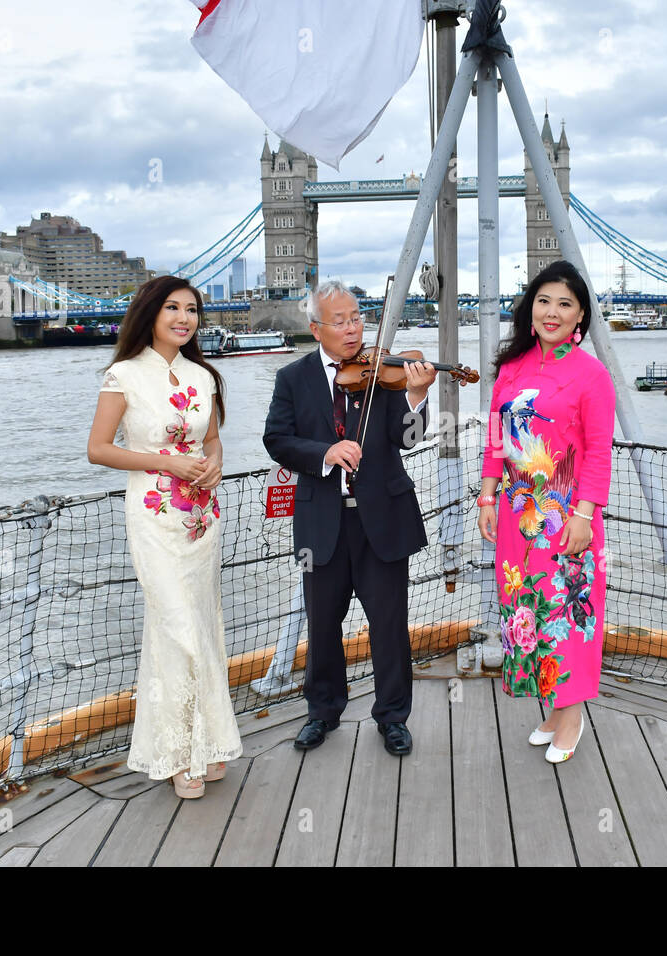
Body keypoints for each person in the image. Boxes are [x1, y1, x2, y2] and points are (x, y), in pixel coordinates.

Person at [263, 280, 436, 756]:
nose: (353, 328)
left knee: (389, 625)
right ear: (316, 329)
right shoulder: (292, 379)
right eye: (339, 321)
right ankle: (322, 711)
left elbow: (410, 439)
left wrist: (417, 399)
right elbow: (276, 440)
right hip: (322, 521)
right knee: (321, 624)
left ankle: (393, 717)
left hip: (382, 519)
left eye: (357, 317)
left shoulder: (386, 374)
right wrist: (325, 451)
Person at [86, 276, 243, 798]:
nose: (184, 318)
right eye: (173, 308)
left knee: (202, 624)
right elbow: (99, 449)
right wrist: (164, 462)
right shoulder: (123, 375)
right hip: (154, 515)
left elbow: (214, 441)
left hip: (201, 516)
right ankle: (180, 754)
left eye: (192, 310)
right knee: (176, 625)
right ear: (150, 314)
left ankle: (208, 742)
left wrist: (215, 466)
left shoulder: (204, 376)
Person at [477, 260, 616, 764]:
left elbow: (599, 450)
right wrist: (488, 495)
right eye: (543, 300)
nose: (551, 312)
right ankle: (555, 707)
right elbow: (497, 439)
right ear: (530, 308)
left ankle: (573, 715)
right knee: (529, 611)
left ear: (580, 315)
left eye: (564, 303)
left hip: (568, 519)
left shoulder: (591, 375)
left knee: (570, 615)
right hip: (518, 517)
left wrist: (584, 514)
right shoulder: (511, 368)